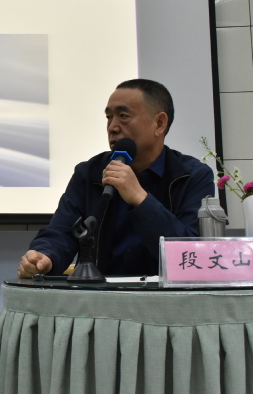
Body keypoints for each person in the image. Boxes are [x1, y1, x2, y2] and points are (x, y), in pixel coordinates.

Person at [18, 79, 214, 277]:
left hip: (165, 294)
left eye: (123, 116)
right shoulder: (90, 173)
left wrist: (140, 199)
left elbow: (190, 255)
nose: (112, 127)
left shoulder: (192, 176)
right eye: (109, 117)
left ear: (159, 123)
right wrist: (44, 256)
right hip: (100, 293)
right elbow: (62, 231)